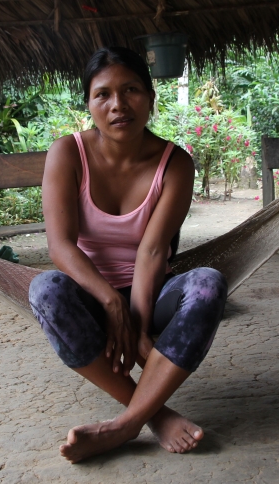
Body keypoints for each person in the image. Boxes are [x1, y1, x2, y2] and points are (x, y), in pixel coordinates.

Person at [28, 46, 228, 463]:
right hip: (90, 295)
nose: (118, 104)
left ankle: (125, 425)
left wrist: (136, 323)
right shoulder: (67, 153)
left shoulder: (174, 164)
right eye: (103, 94)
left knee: (208, 284)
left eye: (131, 90)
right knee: (45, 290)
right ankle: (156, 415)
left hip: (150, 294)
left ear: (150, 98)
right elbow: (60, 246)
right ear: (89, 104)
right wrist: (110, 301)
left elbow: (152, 251)